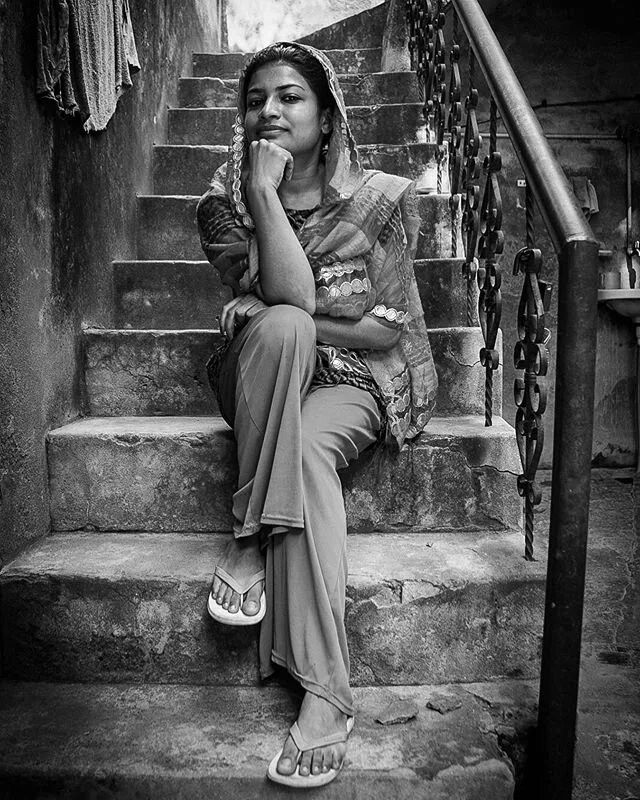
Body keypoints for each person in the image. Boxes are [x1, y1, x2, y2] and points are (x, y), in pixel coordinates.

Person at [196, 40, 438, 788]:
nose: (269, 110)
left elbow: (383, 330)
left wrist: (291, 310)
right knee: (281, 330)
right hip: (263, 375)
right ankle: (251, 533)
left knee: (300, 420)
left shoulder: (381, 200)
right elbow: (288, 307)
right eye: (255, 100)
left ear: (327, 116)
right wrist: (262, 193)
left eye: (290, 96)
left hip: (355, 382)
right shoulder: (223, 203)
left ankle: (325, 691)